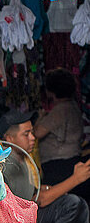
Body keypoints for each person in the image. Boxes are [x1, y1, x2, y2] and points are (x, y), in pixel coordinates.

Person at [34, 68, 86, 200]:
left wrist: (40, 117)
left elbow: (38, 133)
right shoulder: (73, 106)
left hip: (58, 165)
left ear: (51, 92)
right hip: (71, 160)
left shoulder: (60, 110)